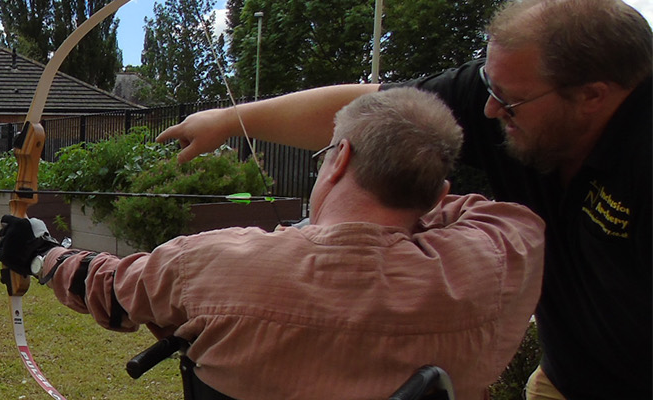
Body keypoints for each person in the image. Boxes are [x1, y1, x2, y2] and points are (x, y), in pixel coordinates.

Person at [152, 1, 650, 398]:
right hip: (561, 377)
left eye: (510, 99)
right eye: (488, 85)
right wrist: (233, 119)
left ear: (593, 96)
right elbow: (372, 110)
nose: (489, 109)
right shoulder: (511, 94)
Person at [0, 88, 545, 399]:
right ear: (437, 193)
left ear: (342, 159)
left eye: (326, 155)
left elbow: (110, 289)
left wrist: (40, 253)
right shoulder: (500, 255)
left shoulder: (215, 262)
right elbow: (478, 209)